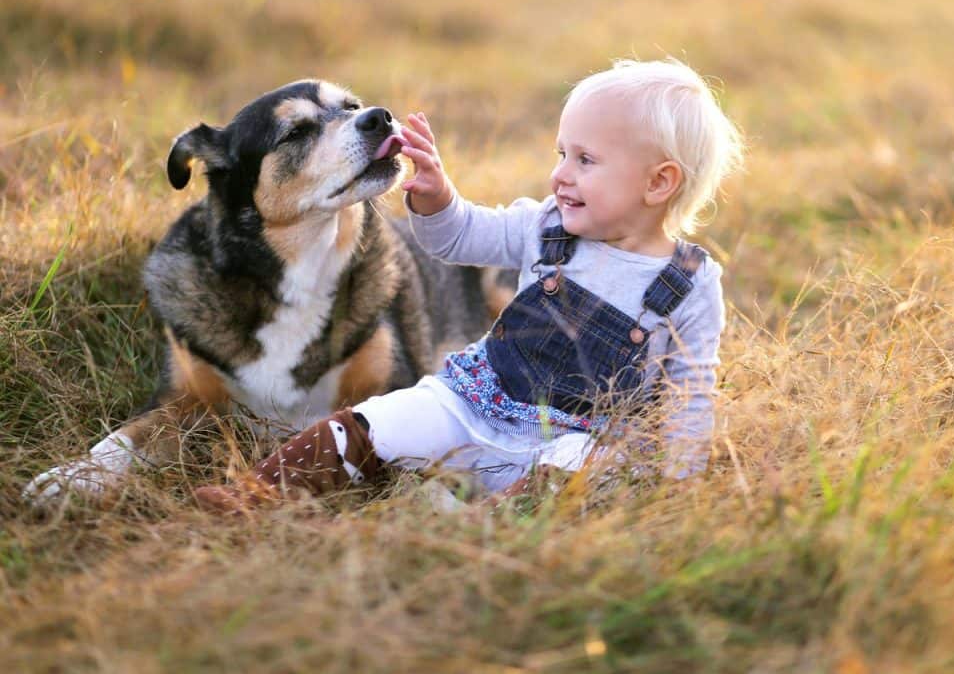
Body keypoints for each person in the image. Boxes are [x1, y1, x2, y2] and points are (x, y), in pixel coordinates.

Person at [194, 58, 744, 512]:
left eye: (585, 160)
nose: (560, 175)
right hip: (473, 405)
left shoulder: (688, 286)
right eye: (561, 154)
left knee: (590, 469)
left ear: (658, 182)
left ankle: (490, 523)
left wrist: (679, 480)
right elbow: (459, 238)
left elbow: (690, 392)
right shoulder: (545, 227)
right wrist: (436, 197)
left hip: (568, 438)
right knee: (377, 422)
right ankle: (255, 495)